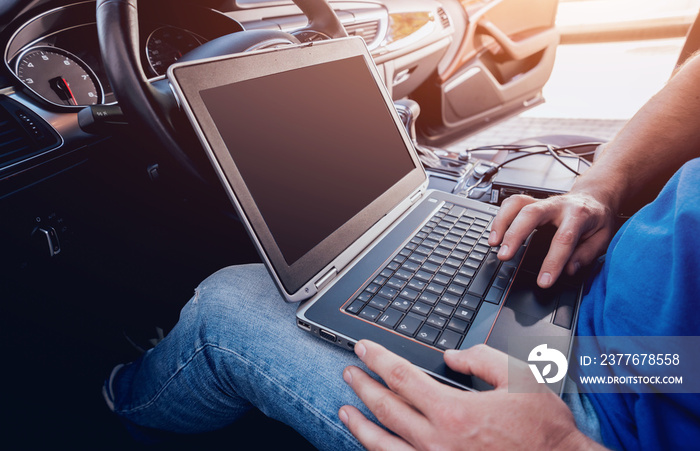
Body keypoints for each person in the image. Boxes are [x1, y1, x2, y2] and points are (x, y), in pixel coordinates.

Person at [103, 52, 700, 450]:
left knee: (226, 304)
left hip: (603, 418)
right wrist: (596, 189)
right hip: (644, 349)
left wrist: (564, 445)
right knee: (443, 212)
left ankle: (113, 408)